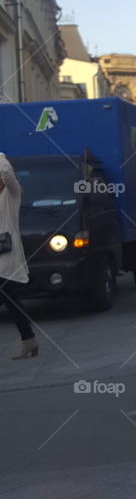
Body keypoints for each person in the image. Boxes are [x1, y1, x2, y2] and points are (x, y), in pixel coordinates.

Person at [0, 153, 37, 359]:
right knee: (10, 298)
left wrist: (0, 156)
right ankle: (29, 340)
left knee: (8, 294)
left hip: (6, 253)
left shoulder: (12, 194)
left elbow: (5, 171)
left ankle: (29, 340)